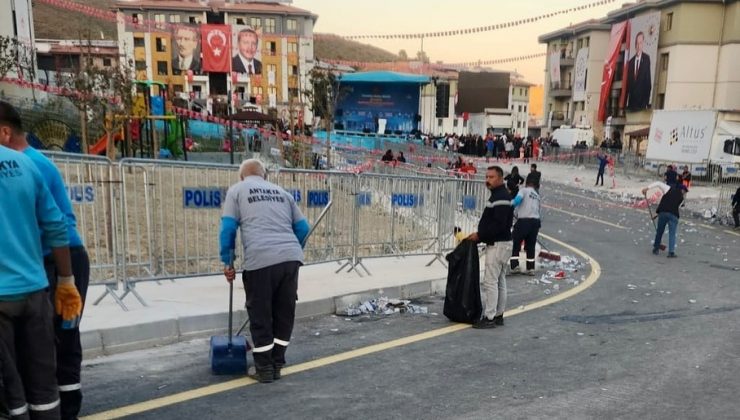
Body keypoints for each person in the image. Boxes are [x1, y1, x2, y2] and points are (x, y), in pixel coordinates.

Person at [1, 101, 90, 420]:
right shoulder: (27, 164)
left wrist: (65, 280)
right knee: (44, 347)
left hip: (62, 257)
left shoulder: (32, 164)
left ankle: (69, 410)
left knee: (63, 339)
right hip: (43, 264)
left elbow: (59, 224)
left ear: (5, 131)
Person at [219, 159, 310, 383]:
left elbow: (228, 228)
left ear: (242, 176)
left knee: (261, 315)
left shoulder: (237, 191)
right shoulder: (282, 192)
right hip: (290, 259)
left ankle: (264, 369)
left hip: (260, 260)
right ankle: (277, 362)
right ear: (264, 176)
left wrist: (228, 262)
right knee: (283, 313)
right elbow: (303, 228)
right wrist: (288, 251)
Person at [466, 166, 514, 329]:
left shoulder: (500, 197)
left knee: (490, 282)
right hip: (503, 244)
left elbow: (498, 225)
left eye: (491, 177)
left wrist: (480, 236)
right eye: (486, 177)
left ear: (500, 178)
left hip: (498, 244)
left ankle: (490, 317)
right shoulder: (500, 195)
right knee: (500, 280)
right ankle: (498, 315)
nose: (488, 180)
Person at [642, 181, 688, 258]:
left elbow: (658, 183)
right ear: (682, 190)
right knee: (672, 234)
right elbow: (674, 208)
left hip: (663, 213)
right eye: (684, 191)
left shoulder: (668, 189)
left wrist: (647, 188)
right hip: (673, 216)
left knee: (659, 231)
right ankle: (671, 252)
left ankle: (656, 248)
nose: (684, 193)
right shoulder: (681, 198)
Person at [510, 179, 541, 275]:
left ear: (527, 183)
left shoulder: (523, 191)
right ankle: (530, 268)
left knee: (516, 242)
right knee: (531, 245)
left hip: (524, 221)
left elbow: (517, 201)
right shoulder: (537, 195)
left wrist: (510, 204)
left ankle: (515, 266)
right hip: (535, 222)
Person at [626, 31, 652, 111]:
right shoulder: (630, 62)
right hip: (631, 104)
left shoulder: (646, 59)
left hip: (642, 104)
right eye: (637, 43)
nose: (638, 46)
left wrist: (646, 103)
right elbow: (628, 85)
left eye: (640, 43)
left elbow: (648, 83)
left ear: (643, 43)